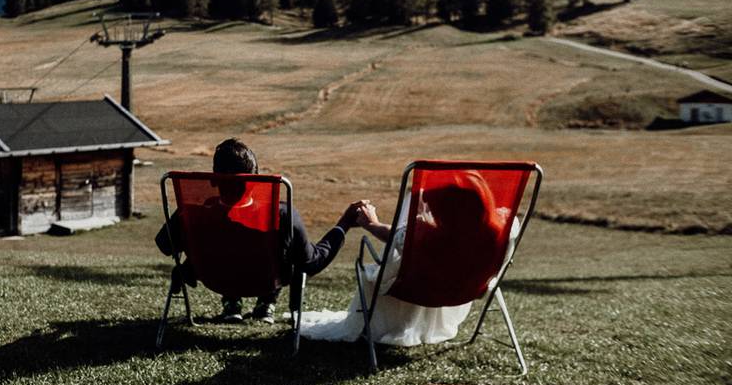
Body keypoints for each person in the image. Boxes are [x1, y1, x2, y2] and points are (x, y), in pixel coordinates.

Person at [155, 138, 371, 324]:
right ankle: (266, 302)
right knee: (286, 256)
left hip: (214, 279)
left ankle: (232, 301)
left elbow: (165, 245)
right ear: (256, 180)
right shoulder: (282, 216)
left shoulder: (191, 214)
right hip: (265, 280)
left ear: (213, 179)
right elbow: (311, 262)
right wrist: (343, 224)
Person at [300, 171, 521, 346]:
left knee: (374, 272)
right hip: (468, 289)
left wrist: (371, 223)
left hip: (416, 291)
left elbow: (395, 236)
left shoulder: (429, 235)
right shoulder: (505, 227)